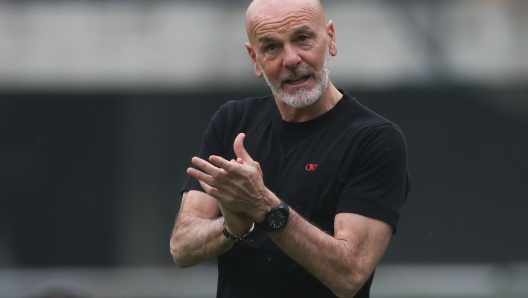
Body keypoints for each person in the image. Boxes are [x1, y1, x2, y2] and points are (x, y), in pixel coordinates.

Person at [170, 0, 410, 297]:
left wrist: (263, 206)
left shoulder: (374, 139)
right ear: (255, 60)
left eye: (303, 38)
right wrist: (231, 227)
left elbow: (349, 275)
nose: (291, 59)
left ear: (330, 39)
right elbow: (182, 247)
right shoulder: (233, 122)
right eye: (271, 47)